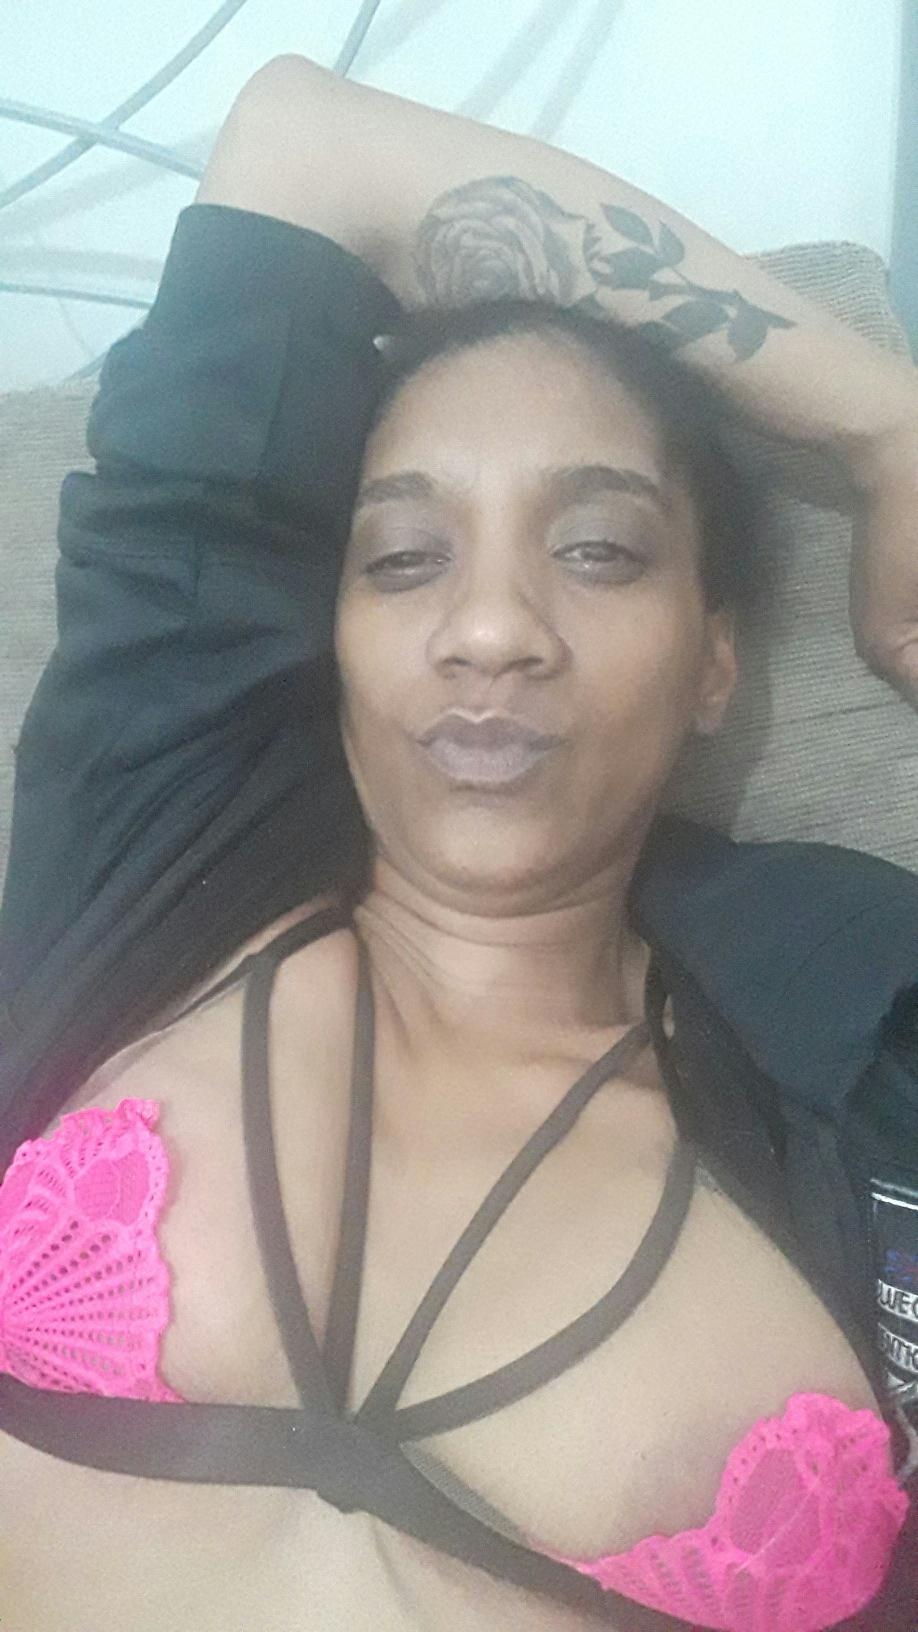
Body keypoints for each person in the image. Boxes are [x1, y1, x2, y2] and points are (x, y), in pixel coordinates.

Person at [0, 54, 916, 1632]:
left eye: (598, 550)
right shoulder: (161, 840)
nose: (491, 627)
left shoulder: (862, 1035)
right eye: (404, 557)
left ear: (715, 661)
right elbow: (306, 144)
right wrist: (886, 425)